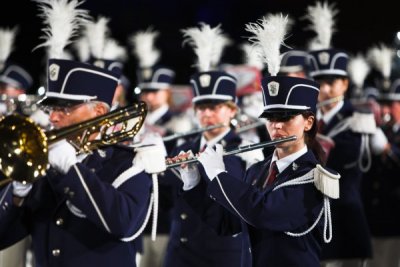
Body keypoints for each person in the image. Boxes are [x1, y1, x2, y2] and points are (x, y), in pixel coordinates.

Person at [308, 48, 374, 266]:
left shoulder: (358, 119)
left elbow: (341, 163)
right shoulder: (305, 119)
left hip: (344, 225)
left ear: (345, 84)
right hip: (311, 226)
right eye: (319, 82)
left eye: (331, 82)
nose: (324, 89)